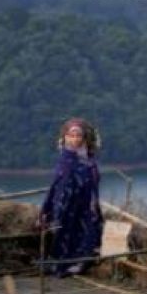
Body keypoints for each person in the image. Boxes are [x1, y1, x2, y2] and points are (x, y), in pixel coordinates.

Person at [40, 118, 104, 276]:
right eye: (71, 136)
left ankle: (79, 264)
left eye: (78, 136)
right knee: (64, 233)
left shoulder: (89, 160)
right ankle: (62, 265)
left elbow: (93, 182)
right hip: (65, 205)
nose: (74, 139)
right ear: (65, 137)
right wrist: (49, 208)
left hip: (85, 205)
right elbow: (57, 185)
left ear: (84, 138)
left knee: (86, 233)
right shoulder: (65, 160)